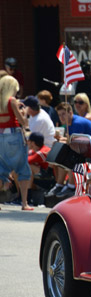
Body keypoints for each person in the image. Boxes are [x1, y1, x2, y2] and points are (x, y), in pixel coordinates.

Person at [46, 102, 91, 198]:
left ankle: (71, 186)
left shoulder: (77, 123)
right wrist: (60, 139)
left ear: (70, 113)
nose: (61, 117)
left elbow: (75, 143)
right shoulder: (70, 123)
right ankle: (59, 185)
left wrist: (62, 140)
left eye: (63, 114)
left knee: (66, 154)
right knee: (59, 148)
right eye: (59, 115)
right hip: (83, 148)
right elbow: (72, 140)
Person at [0, 75, 32, 210]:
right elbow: (22, 121)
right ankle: (24, 203)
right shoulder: (12, 101)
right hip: (13, 135)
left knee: (1, 169)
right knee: (22, 168)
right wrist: (24, 112)